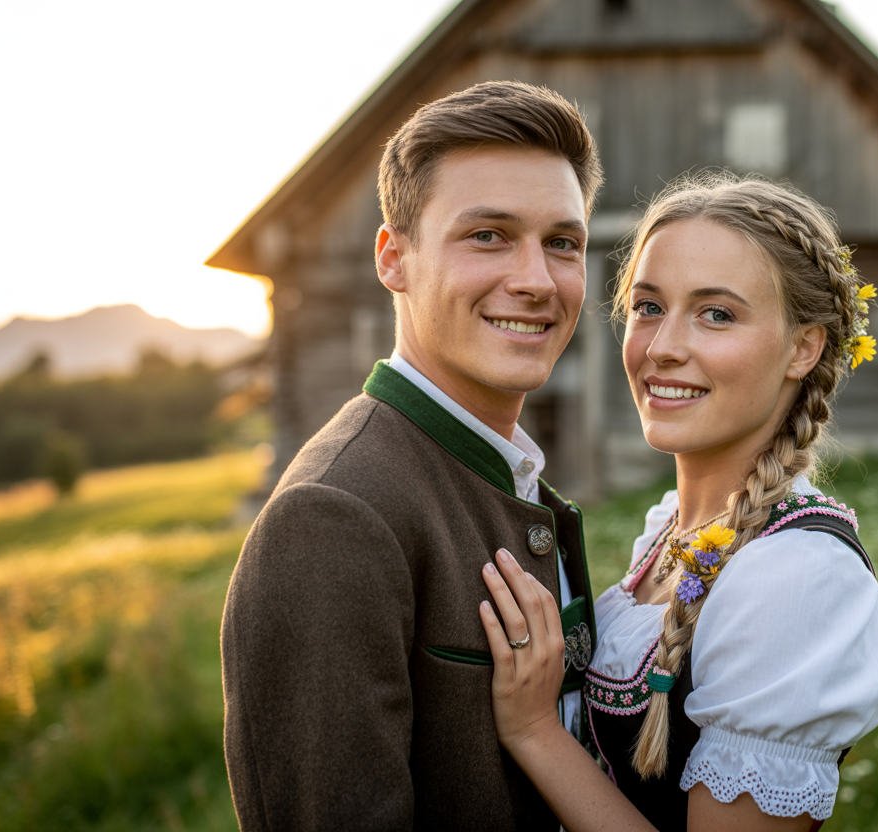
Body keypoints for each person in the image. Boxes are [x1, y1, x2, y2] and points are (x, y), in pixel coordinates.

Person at [220, 81, 604, 830]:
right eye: (488, 235)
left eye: (562, 242)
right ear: (394, 259)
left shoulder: (504, 472)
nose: (535, 280)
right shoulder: (332, 516)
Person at [477, 173, 878, 831]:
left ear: (803, 347)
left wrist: (535, 732)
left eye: (717, 313)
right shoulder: (673, 531)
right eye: (648, 307)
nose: (664, 347)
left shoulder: (796, 579)